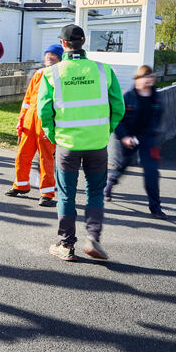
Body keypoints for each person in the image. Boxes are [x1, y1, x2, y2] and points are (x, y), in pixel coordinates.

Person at [38, 24, 125, 262]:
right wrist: (105, 130)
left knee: (66, 195)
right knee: (95, 192)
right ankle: (93, 237)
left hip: (67, 144)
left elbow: (44, 111)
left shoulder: (51, 73)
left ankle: (66, 245)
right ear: (84, 42)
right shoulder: (103, 70)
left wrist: (54, 135)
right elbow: (119, 106)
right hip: (97, 144)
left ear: (63, 44)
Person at [104, 65, 166, 219]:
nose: (150, 80)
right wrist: (124, 137)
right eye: (147, 77)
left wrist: (153, 136)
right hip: (128, 136)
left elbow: (158, 118)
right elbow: (118, 119)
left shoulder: (156, 96)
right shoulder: (127, 96)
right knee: (122, 165)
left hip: (147, 138)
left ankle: (155, 207)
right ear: (138, 79)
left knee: (151, 172)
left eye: (152, 77)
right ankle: (110, 184)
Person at [7, 45, 62, 206]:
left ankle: (47, 193)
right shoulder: (38, 74)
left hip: (46, 122)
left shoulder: (60, 75)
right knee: (22, 154)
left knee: (46, 159)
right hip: (30, 121)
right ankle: (21, 185)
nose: (49, 57)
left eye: (53, 55)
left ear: (59, 58)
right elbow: (27, 99)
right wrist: (21, 120)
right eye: (48, 54)